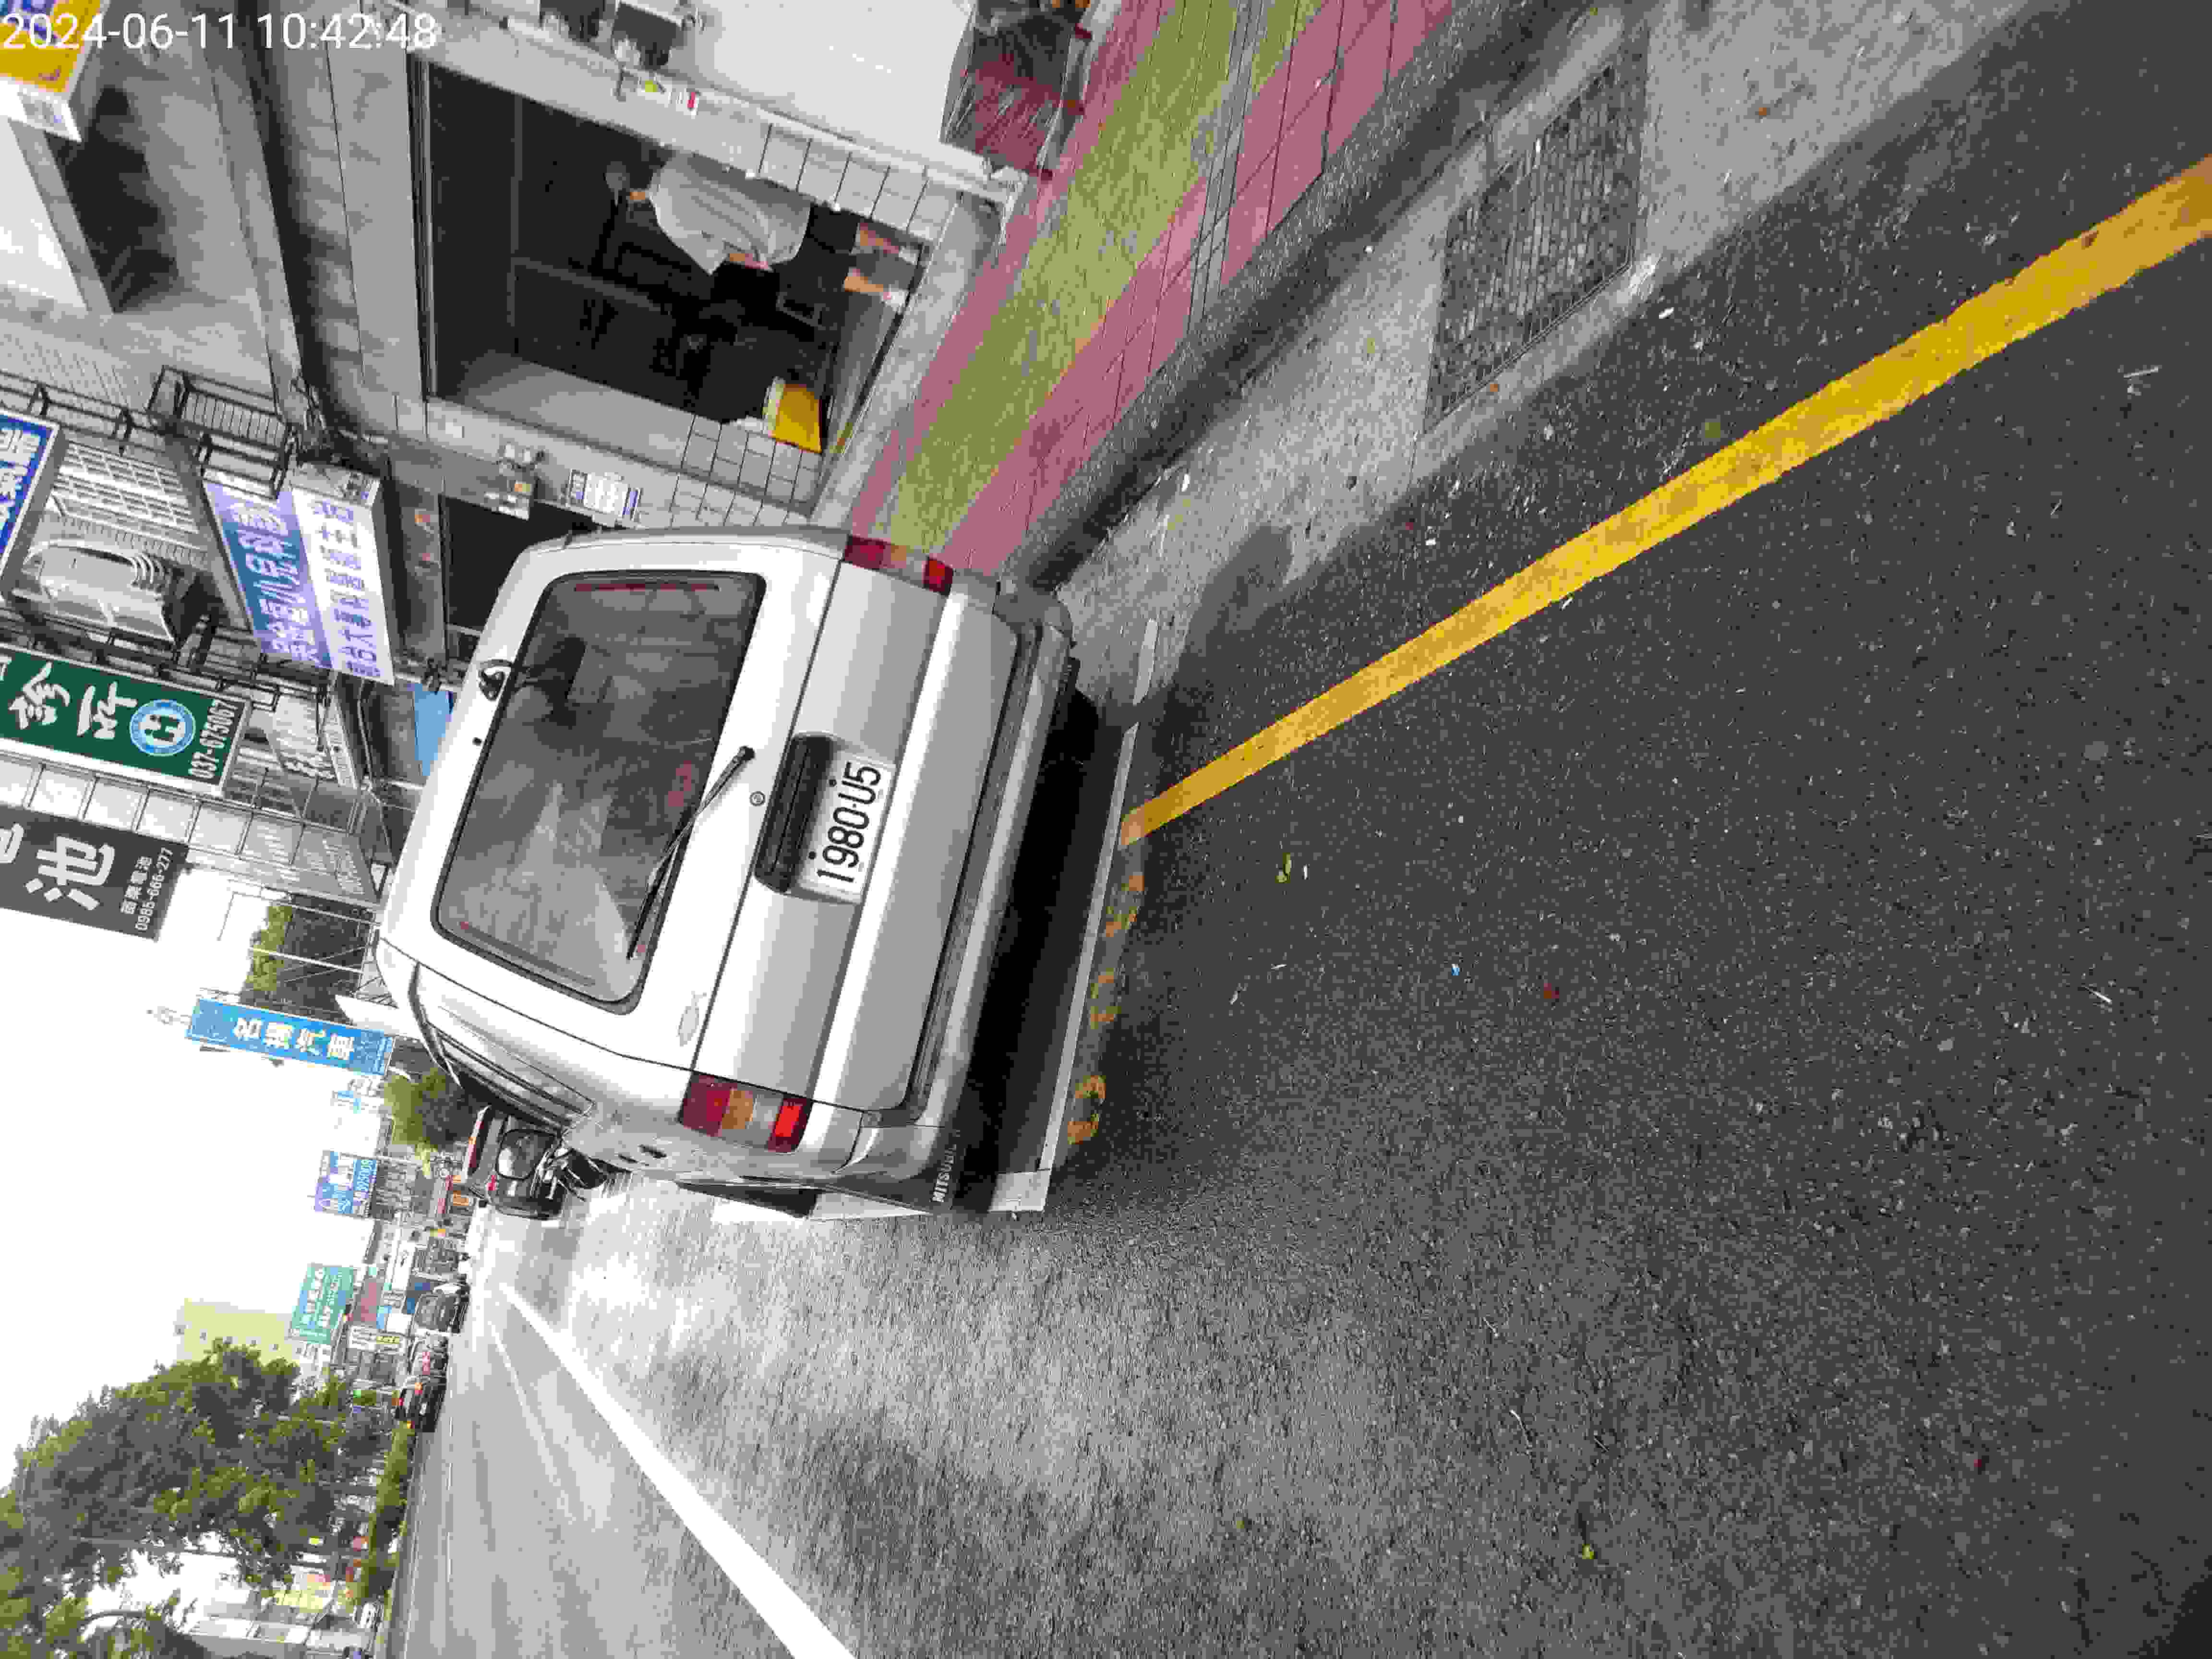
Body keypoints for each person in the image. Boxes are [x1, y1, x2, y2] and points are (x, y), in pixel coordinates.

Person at [607, 156, 919, 313]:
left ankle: (889, 293)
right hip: (785, 204)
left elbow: (720, 253)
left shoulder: (668, 221)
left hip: (771, 244)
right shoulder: (683, 158)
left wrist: (758, 263)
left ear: (634, 194)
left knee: (833, 272)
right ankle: (903, 252)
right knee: (847, 233)